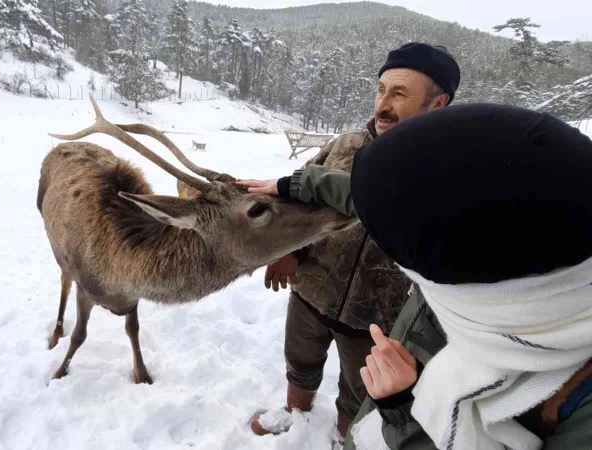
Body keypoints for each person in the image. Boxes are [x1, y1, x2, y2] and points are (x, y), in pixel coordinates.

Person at [240, 103, 592, 449]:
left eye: (397, 244)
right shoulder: (482, 263)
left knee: (355, 385)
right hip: (350, 335)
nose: (384, 101)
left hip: (380, 360)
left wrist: (403, 409)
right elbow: (378, 197)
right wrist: (296, 185)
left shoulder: (577, 401)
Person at [247, 42, 461, 445]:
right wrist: (287, 252)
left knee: (361, 390)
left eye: (399, 94)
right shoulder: (345, 145)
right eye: (381, 90)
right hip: (313, 288)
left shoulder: (444, 172)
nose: (383, 105)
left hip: (378, 318)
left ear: (438, 103)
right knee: (301, 361)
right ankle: (297, 413)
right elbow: (296, 197)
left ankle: (347, 437)